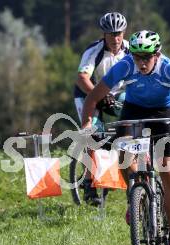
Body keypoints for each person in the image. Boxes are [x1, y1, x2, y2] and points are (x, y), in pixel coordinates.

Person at [81, 30, 170, 245]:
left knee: (168, 171)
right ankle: (135, 196)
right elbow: (92, 97)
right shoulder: (125, 65)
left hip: (164, 115)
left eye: (146, 57)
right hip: (133, 111)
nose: (141, 62)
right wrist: (87, 124)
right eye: (137, 56)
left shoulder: (168, 68)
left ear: (157, 54)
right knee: (122, 156)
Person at [74, 12, 129, 206]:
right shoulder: (94, 51)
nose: (115, 38)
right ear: (104, 34)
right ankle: (89, 182)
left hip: (116, 93)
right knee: (93, 133)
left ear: (124, 32)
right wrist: (100, 96)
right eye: (111, 34)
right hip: (89, 92)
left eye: (119, 34)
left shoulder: (130, 50)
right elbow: (82, 78)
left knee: (130, 121)